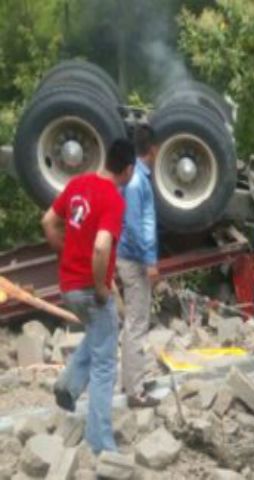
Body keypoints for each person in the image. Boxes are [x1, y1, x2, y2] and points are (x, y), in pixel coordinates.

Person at [43, 138, 136, 455]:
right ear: (128, 169)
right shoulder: (113, 199)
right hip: (89, 289)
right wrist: (100, 287)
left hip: (68, 287)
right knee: (105, 366)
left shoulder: (78, 183)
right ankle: (100, 442)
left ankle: (67, 386)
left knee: (100, 335)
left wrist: (65, 251)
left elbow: (48, 221)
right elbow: (101, 246)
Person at [117, 124, 160, 408]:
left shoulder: (137, 178)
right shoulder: (136, 182)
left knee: (135, 321)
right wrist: (149, 261)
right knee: (137, 323)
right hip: (134, 260)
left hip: (132, 257)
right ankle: (135, 392)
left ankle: (133, 378)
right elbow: (135, 225)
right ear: (153, 149)